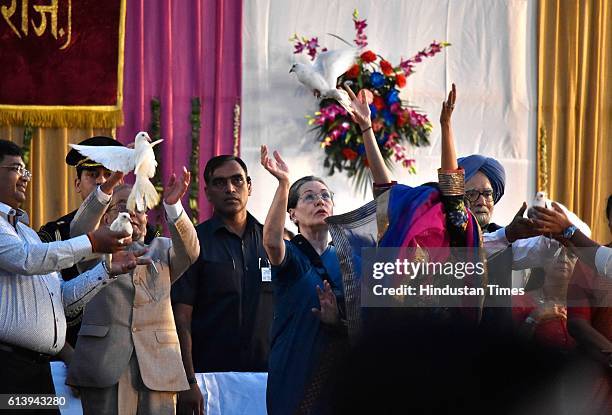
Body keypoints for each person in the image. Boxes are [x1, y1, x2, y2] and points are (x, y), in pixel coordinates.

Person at [0, 139, 140, 413]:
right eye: (17, 168)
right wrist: (92, 242)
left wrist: (107, 270)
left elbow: (61, 299)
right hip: (8, 368)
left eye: (27, 170)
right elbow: (27, 259)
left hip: (39, 371)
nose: (25, 178)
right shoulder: (27, 236)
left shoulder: (26, 231)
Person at [66, 167, 199, 414]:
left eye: (138, 206)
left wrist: (173, 206)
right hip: (105, 364)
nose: (130, 212)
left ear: (147, 219)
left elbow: (191, 251)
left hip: (158, 365)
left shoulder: (161, 249)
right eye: (120, 206)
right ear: (106, 219)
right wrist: (104, 193)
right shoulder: (94, 251)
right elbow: (78, 231)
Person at [171, 156, 273, 415]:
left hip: (266, 378)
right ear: (207, 192)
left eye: (237, 180)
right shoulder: (193, 243)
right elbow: (181, 319)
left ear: (249, 185)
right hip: (209, 380)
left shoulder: (272, 242)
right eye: (220, 182)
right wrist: (188, 381)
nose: (230, 188)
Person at [261, 146, 347, 415]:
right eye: (308, 197)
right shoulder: (293, 256)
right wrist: (284, 184)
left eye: (325, 196)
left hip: (339, 374)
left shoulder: (347, 260)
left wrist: (337, 321)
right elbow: (272, 242)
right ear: (293, 214)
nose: (319, 201)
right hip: (294, 369)